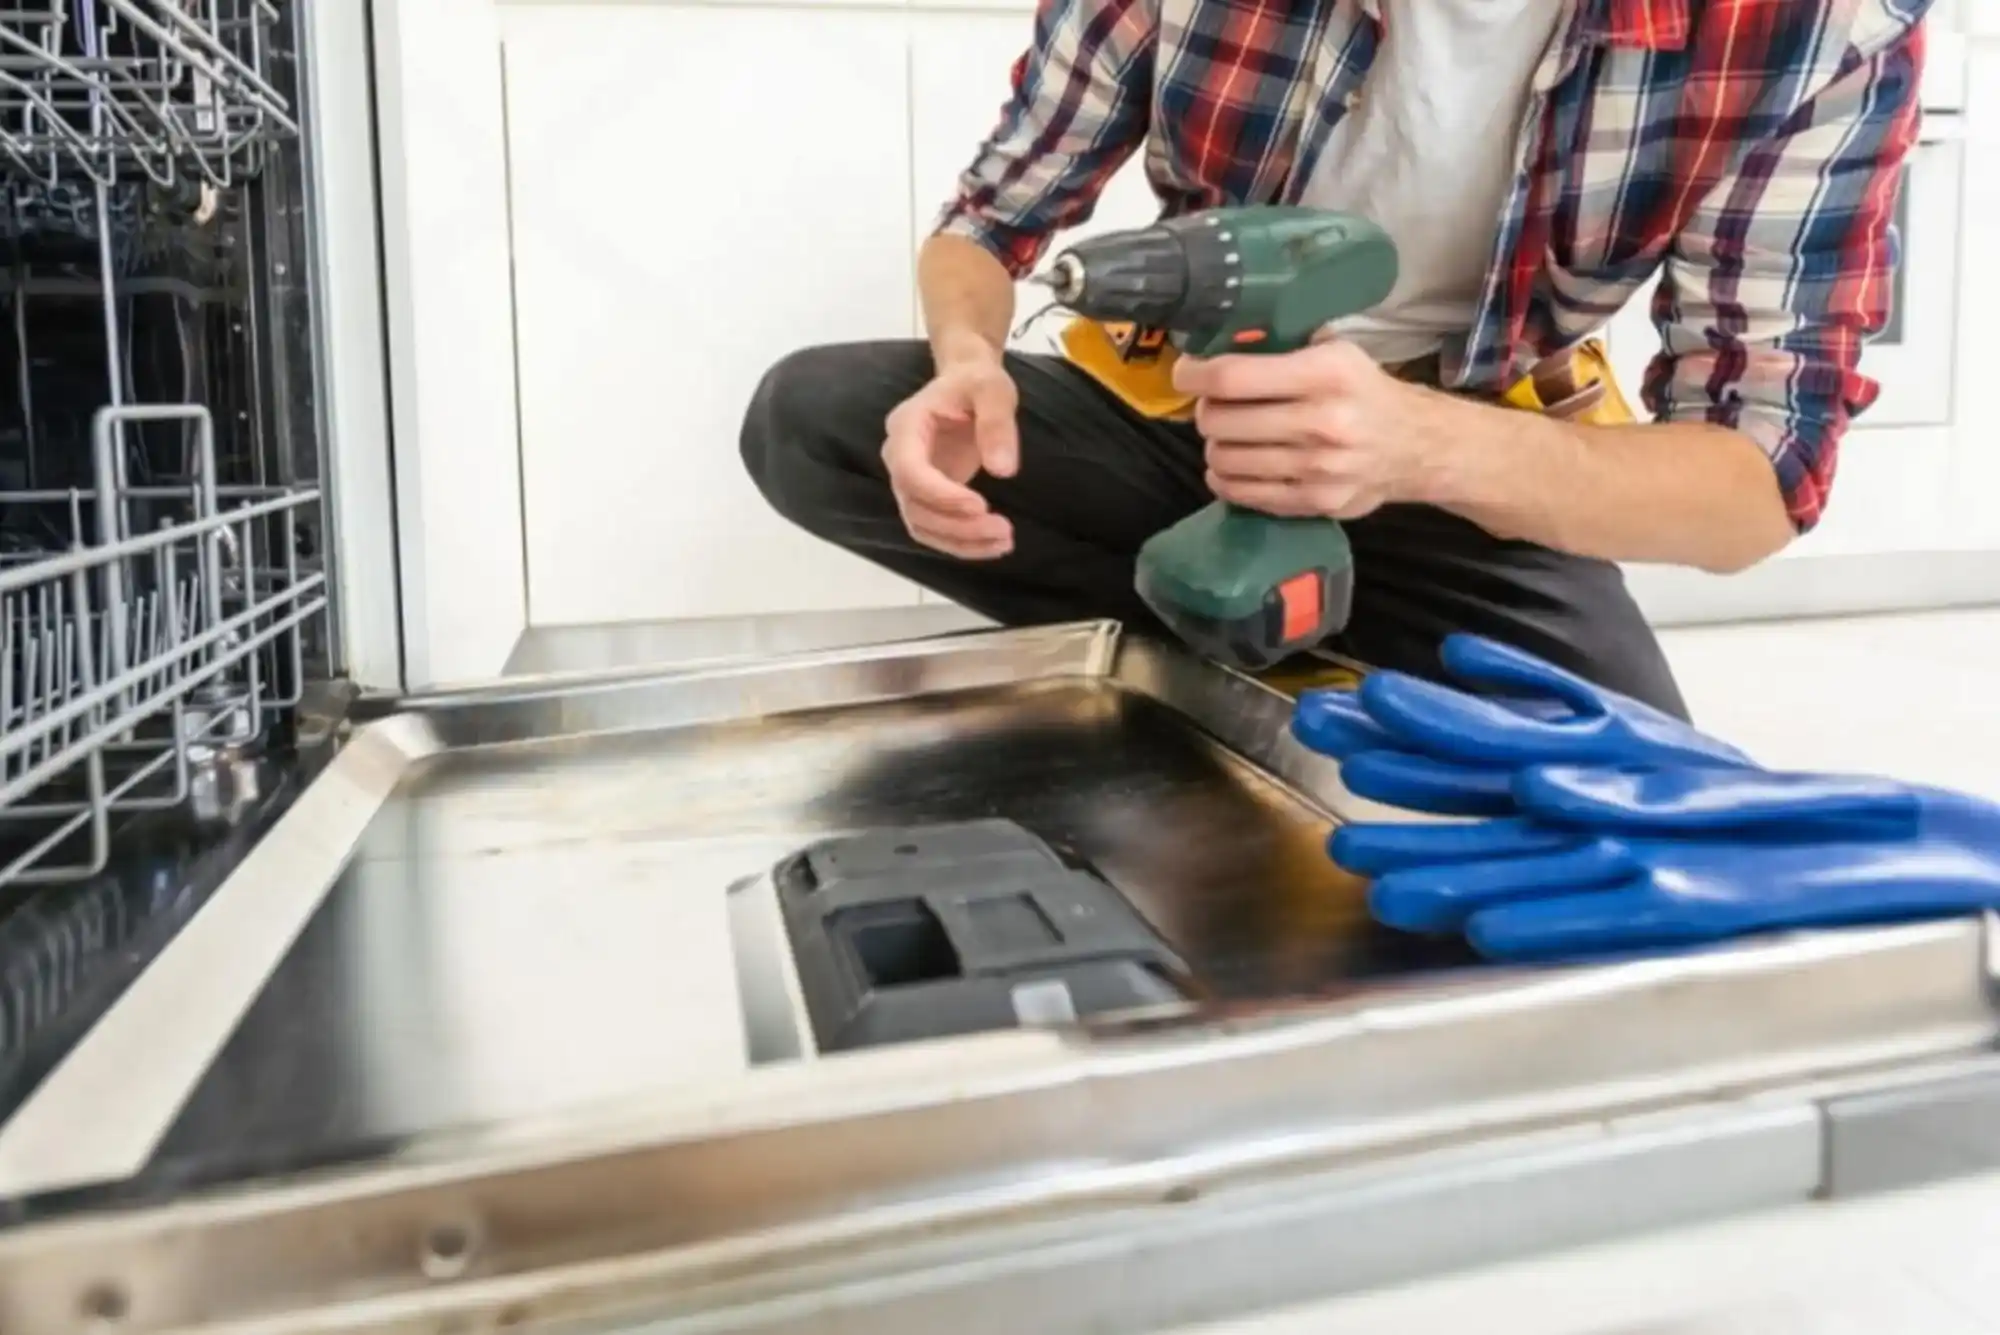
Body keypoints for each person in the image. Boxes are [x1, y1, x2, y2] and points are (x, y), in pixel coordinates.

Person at [739, 0, 1928, 721]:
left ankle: (1269, 641)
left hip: (1464, 464)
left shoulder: (1816, 25)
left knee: (1620, 760)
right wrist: (966, 362)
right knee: (817, 417)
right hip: (1186, 410)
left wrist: (1417, 446)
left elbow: (1755, 489)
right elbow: (988, 222)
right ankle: (1222, 655)